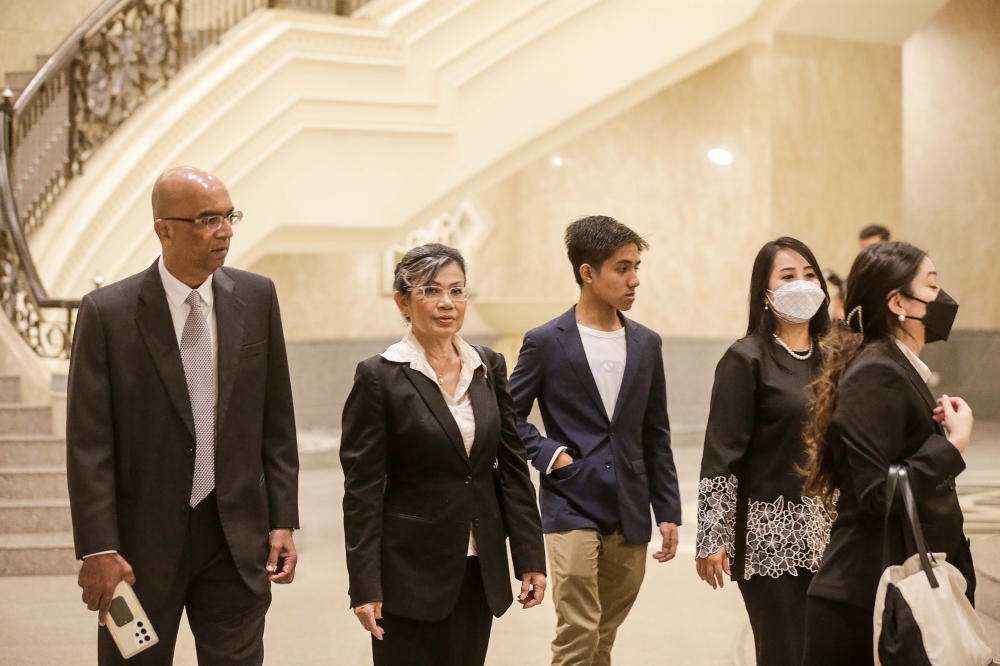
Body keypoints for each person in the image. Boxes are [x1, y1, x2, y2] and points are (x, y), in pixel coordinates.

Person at [67, 167, 300, 665]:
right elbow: (89, 444)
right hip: (140, 545)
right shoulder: (108, 313)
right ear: (165, 229)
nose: (226, 231)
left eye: (230, 216)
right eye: (209, 219)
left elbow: (277, 422)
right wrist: (97, 547)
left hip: (235, 535)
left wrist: (282, 519)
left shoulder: (257, 297)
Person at [341, 243, 547, 666]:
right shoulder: (380, 376)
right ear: (403, 301)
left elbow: (512, 468)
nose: (447, 303)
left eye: (457, 290)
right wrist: (364, 584)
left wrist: (530, 557)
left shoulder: (487, 366)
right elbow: (362, 490)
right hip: (408, 569)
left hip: (478, 565)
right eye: (431, 291)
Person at [509, 215, 682, 666]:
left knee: (603, 634)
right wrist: (552, 455)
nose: (634, 279)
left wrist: (667, 508)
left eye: (636, 267)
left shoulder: (647, 343)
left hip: (630, 503)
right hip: (570, 500)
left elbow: (655, 430)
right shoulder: (545, 341)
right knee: (579, 630)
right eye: (622, 268)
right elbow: (507, 416)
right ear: (588, 272)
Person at [799, 241, 974, 666]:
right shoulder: (877, 370)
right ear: (898, 302)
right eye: (931, 286)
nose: (941, 297)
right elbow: (877, 491)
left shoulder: (894, 366)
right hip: (867, 599)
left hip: (889, 589)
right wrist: (952, 444)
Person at [696, 237, 834, 666]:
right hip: (769, 539)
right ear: (765, 293)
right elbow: (721, 454)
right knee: (785, 652)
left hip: (833, 532)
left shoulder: (835, 358)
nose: (802, 284)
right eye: (788, 276)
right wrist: (711, 537)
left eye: (810, 274)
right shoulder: (746, 359)